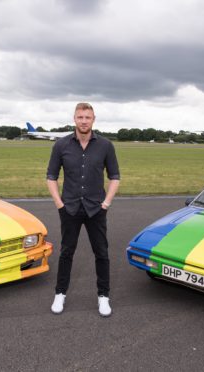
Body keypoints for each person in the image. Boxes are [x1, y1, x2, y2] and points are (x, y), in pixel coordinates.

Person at [46, 102, 120, 317]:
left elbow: (114, 177)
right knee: (67, 252)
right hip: (69, 208)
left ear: (93, 119)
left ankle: (103, 297)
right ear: (74, 119)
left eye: (88, 117)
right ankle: (60, 294)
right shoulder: (61, 145)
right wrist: (59, 203)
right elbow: (51, 177)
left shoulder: (105, 146)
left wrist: (106, 204)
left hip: (96, 209)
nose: (84, 121)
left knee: (102, 253)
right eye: (80, 117)